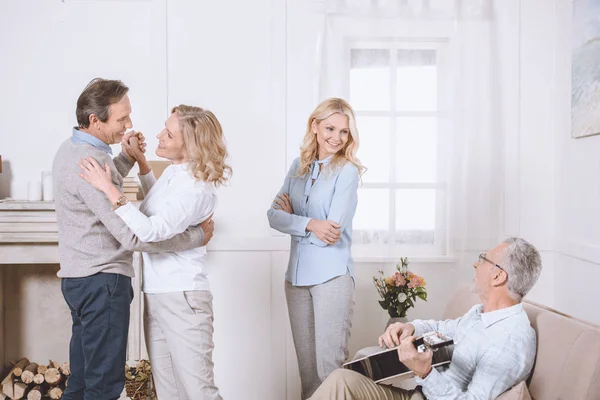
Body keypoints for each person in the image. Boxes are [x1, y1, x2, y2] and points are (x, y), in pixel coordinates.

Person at [53, 79, 210, 400]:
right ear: (95, 121)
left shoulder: (71, 148)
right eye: (122, 119)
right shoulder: (93, 162)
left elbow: (101, 187)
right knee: (104, 386)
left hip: (76, 280)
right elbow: (132, 236)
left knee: (80, 383)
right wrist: (195, 236)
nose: (130, 124)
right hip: (102, 282)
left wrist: (128, 158)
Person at [78, 104, 231, 400]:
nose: (159, 135)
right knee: (169, 392)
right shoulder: (178, 173)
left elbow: (149, 230)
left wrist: (108, 188)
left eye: (169, 133)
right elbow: (160, 206)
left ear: (190, 144)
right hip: (159, 293)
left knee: (200, 392)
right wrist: (142, 164)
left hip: (183, 298)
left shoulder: (196, 189)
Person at [309, 237, 543, 400]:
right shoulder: (481, 314)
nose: (475, 263)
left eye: (484, 259)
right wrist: (409, 326)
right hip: (419, 395)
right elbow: (442, 328)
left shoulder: (510, 340)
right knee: (342, 379)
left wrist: (426, 374)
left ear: (498, 276)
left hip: (427, 394)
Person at [267, 98, 366, 399]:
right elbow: (273, 216)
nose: (336, 137)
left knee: (330, 371)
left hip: (332, 277)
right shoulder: (298, 167)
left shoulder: (347, 172)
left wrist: (294, 221)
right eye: (330, 128)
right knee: (308, 373)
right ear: (315, 126)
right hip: (295, 279)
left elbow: (331, 233)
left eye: (344, 132)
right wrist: (310, 224)